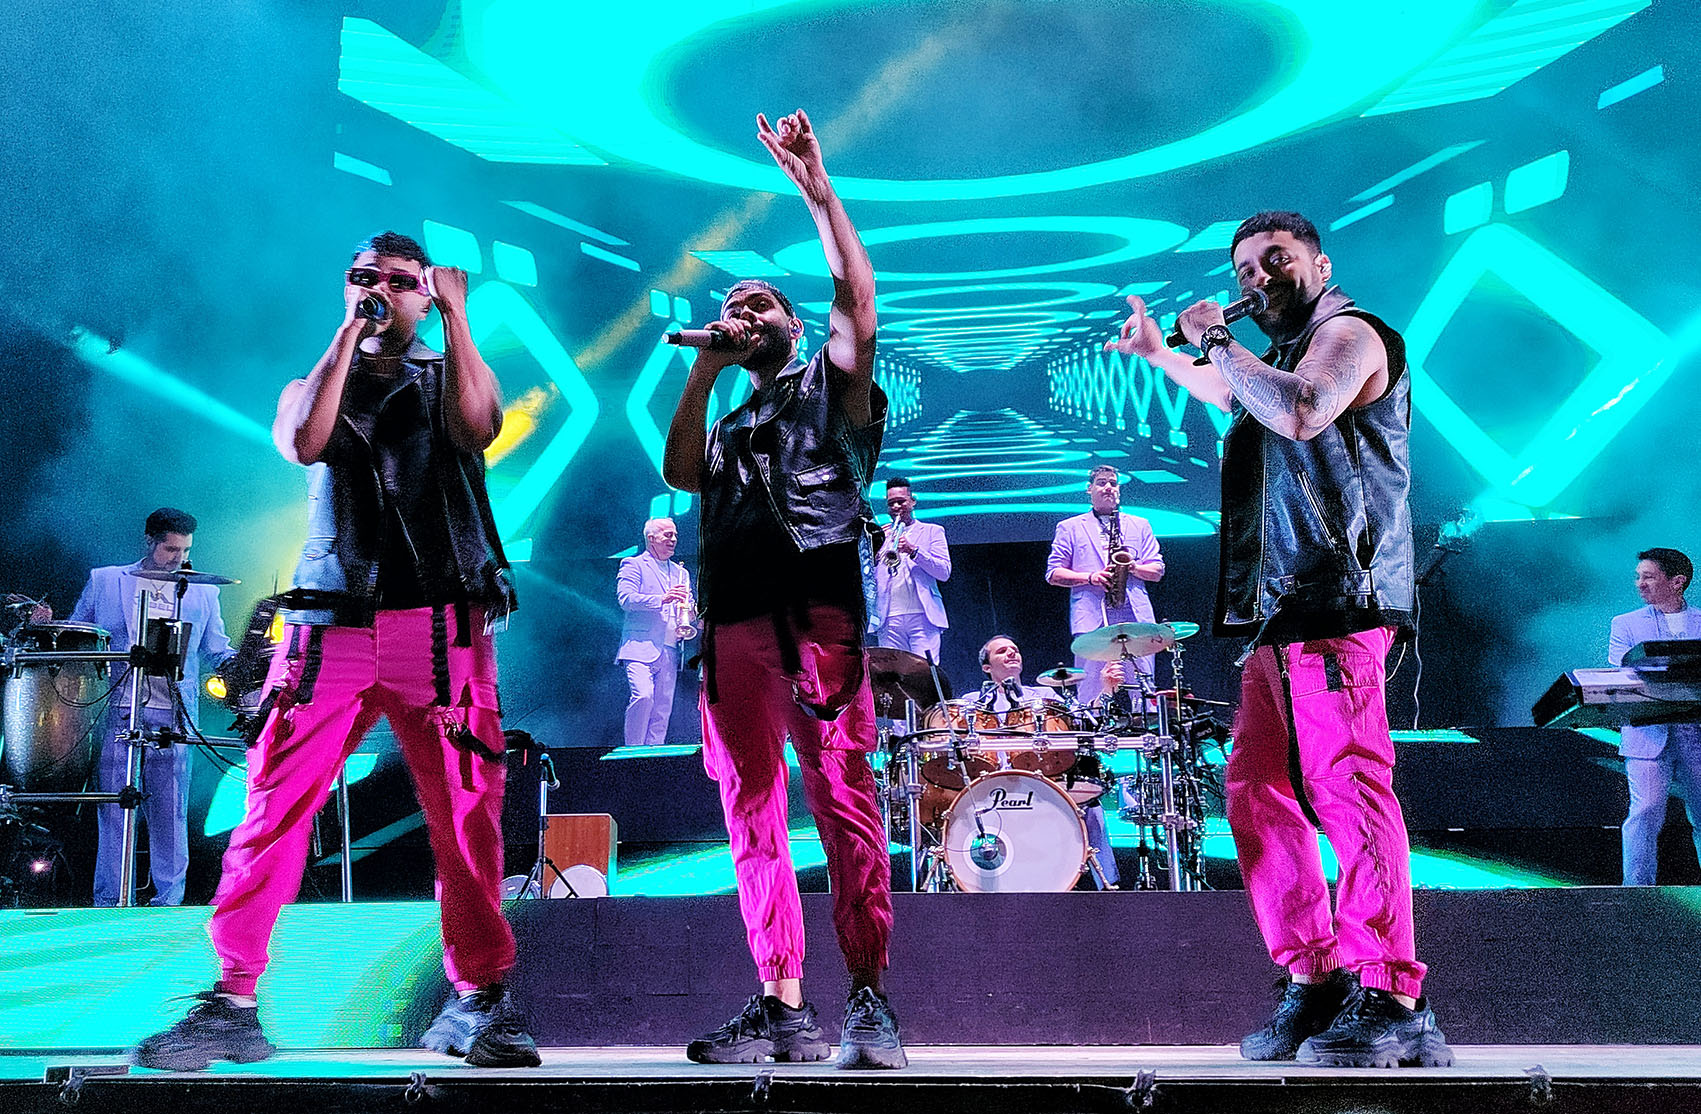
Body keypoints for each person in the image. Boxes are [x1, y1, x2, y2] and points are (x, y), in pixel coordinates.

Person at [132, 231, 538, 1070]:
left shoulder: (452, 372)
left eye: (399, 280)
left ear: (426, 294)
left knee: (467, 819)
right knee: (271, 811)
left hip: (441, 630)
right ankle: (233, 1000)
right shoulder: (313, 380)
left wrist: (460, 319)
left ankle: (478, 999)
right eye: (363, 276)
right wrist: (351, 331)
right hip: (329, 629)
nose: (378, 288)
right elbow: (301, 444)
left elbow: (478, 428)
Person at [1107, 210, 1451, 1068]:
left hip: (1340, 600)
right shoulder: (1277, 358)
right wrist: (1159, 357)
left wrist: (1214, 336)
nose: (1257, 277)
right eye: (1244, 269)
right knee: (1254, 790)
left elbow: (1299, 412)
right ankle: (1316, 977)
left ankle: (1392, 994)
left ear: (1319, 265)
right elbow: (1236, 395)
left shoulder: (1351, 334)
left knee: (1348, 792)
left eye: (1276, 260)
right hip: (1280, 609)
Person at [662, 109, 903, 1070]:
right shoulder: (727, 425)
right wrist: (703, 369)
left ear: (793, 328)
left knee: (843, 802)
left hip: (816, 617)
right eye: (733, 304)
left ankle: (870, 1004)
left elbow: (856, 296)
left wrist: (818, 192)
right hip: (731, 630)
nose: (743, 313)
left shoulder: (829, 390)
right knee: (750, 816)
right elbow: (682, 472)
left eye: (759, 304)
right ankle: (781, 1004)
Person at [68, 507, 234, 907]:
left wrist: (248, 662)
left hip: (173, 714)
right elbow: (78, 635)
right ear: (149, 541)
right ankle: (111, 900)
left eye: (185, 551)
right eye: (170, 550)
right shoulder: (106, 581)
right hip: (118, 709)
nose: (179, 558)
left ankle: (168, 901)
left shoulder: (203, 591)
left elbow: (216, 649)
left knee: (170, 811)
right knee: (114, 808)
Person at [977, 635, 1120, 889]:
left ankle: (1108, 888)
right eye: (1002, 651)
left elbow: (1085, 724)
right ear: (987, 667)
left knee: (1091, 806)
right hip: (995, 785)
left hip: (1046, 780)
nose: (1011, 653)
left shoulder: (1043, 695)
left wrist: (1106, 689)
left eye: (1015, 649)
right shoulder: (973, 702)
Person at [1609, 547, 1701, 885]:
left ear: (1677, 582)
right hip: (1648, 732)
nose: (1640, 583)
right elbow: (1621, 675)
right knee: (1645, 812)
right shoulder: (1625, 623)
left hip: (1696, 733)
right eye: (1638, 577)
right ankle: (1636, 893)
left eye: (1648, 577)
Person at [1045, 466, 1164, 704]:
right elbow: (1053, 573)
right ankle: (1092, 723)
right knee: (1091, 687)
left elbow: (1157, 570)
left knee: (1144, 686)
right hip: (1092, 614)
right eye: (1101, 483)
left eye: (1113, 483)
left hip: (1134, 613)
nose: (1108, 487)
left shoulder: (1140, 524)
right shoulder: (1070, 526)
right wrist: (1091, 577)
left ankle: (1148, 724)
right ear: (1089, 489)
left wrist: (1132, 567)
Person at [616, 517, 695, 747]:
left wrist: (690, 612)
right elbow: (626, 599)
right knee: (643, 696)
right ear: (651, 538)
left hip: (670, 648)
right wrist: (662, 598)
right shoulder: (633, 564)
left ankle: (654, 755)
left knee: (662, 710)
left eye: (675, 535)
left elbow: (687, 605)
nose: (674, 539)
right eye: (668, 535)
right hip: (639, 645)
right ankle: (633, 751)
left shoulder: (681, 573)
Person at [871, 477, 950, 661]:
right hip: (888, 617)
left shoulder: (932, 531)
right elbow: (869, 577)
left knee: (925, 671)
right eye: (891, 503)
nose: (896, 507)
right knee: (892, 673)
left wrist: (914, 551)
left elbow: (944, 572)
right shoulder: (881, 535)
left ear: (912, 501)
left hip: (922, 615)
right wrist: (876, 548)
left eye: (901, 501)